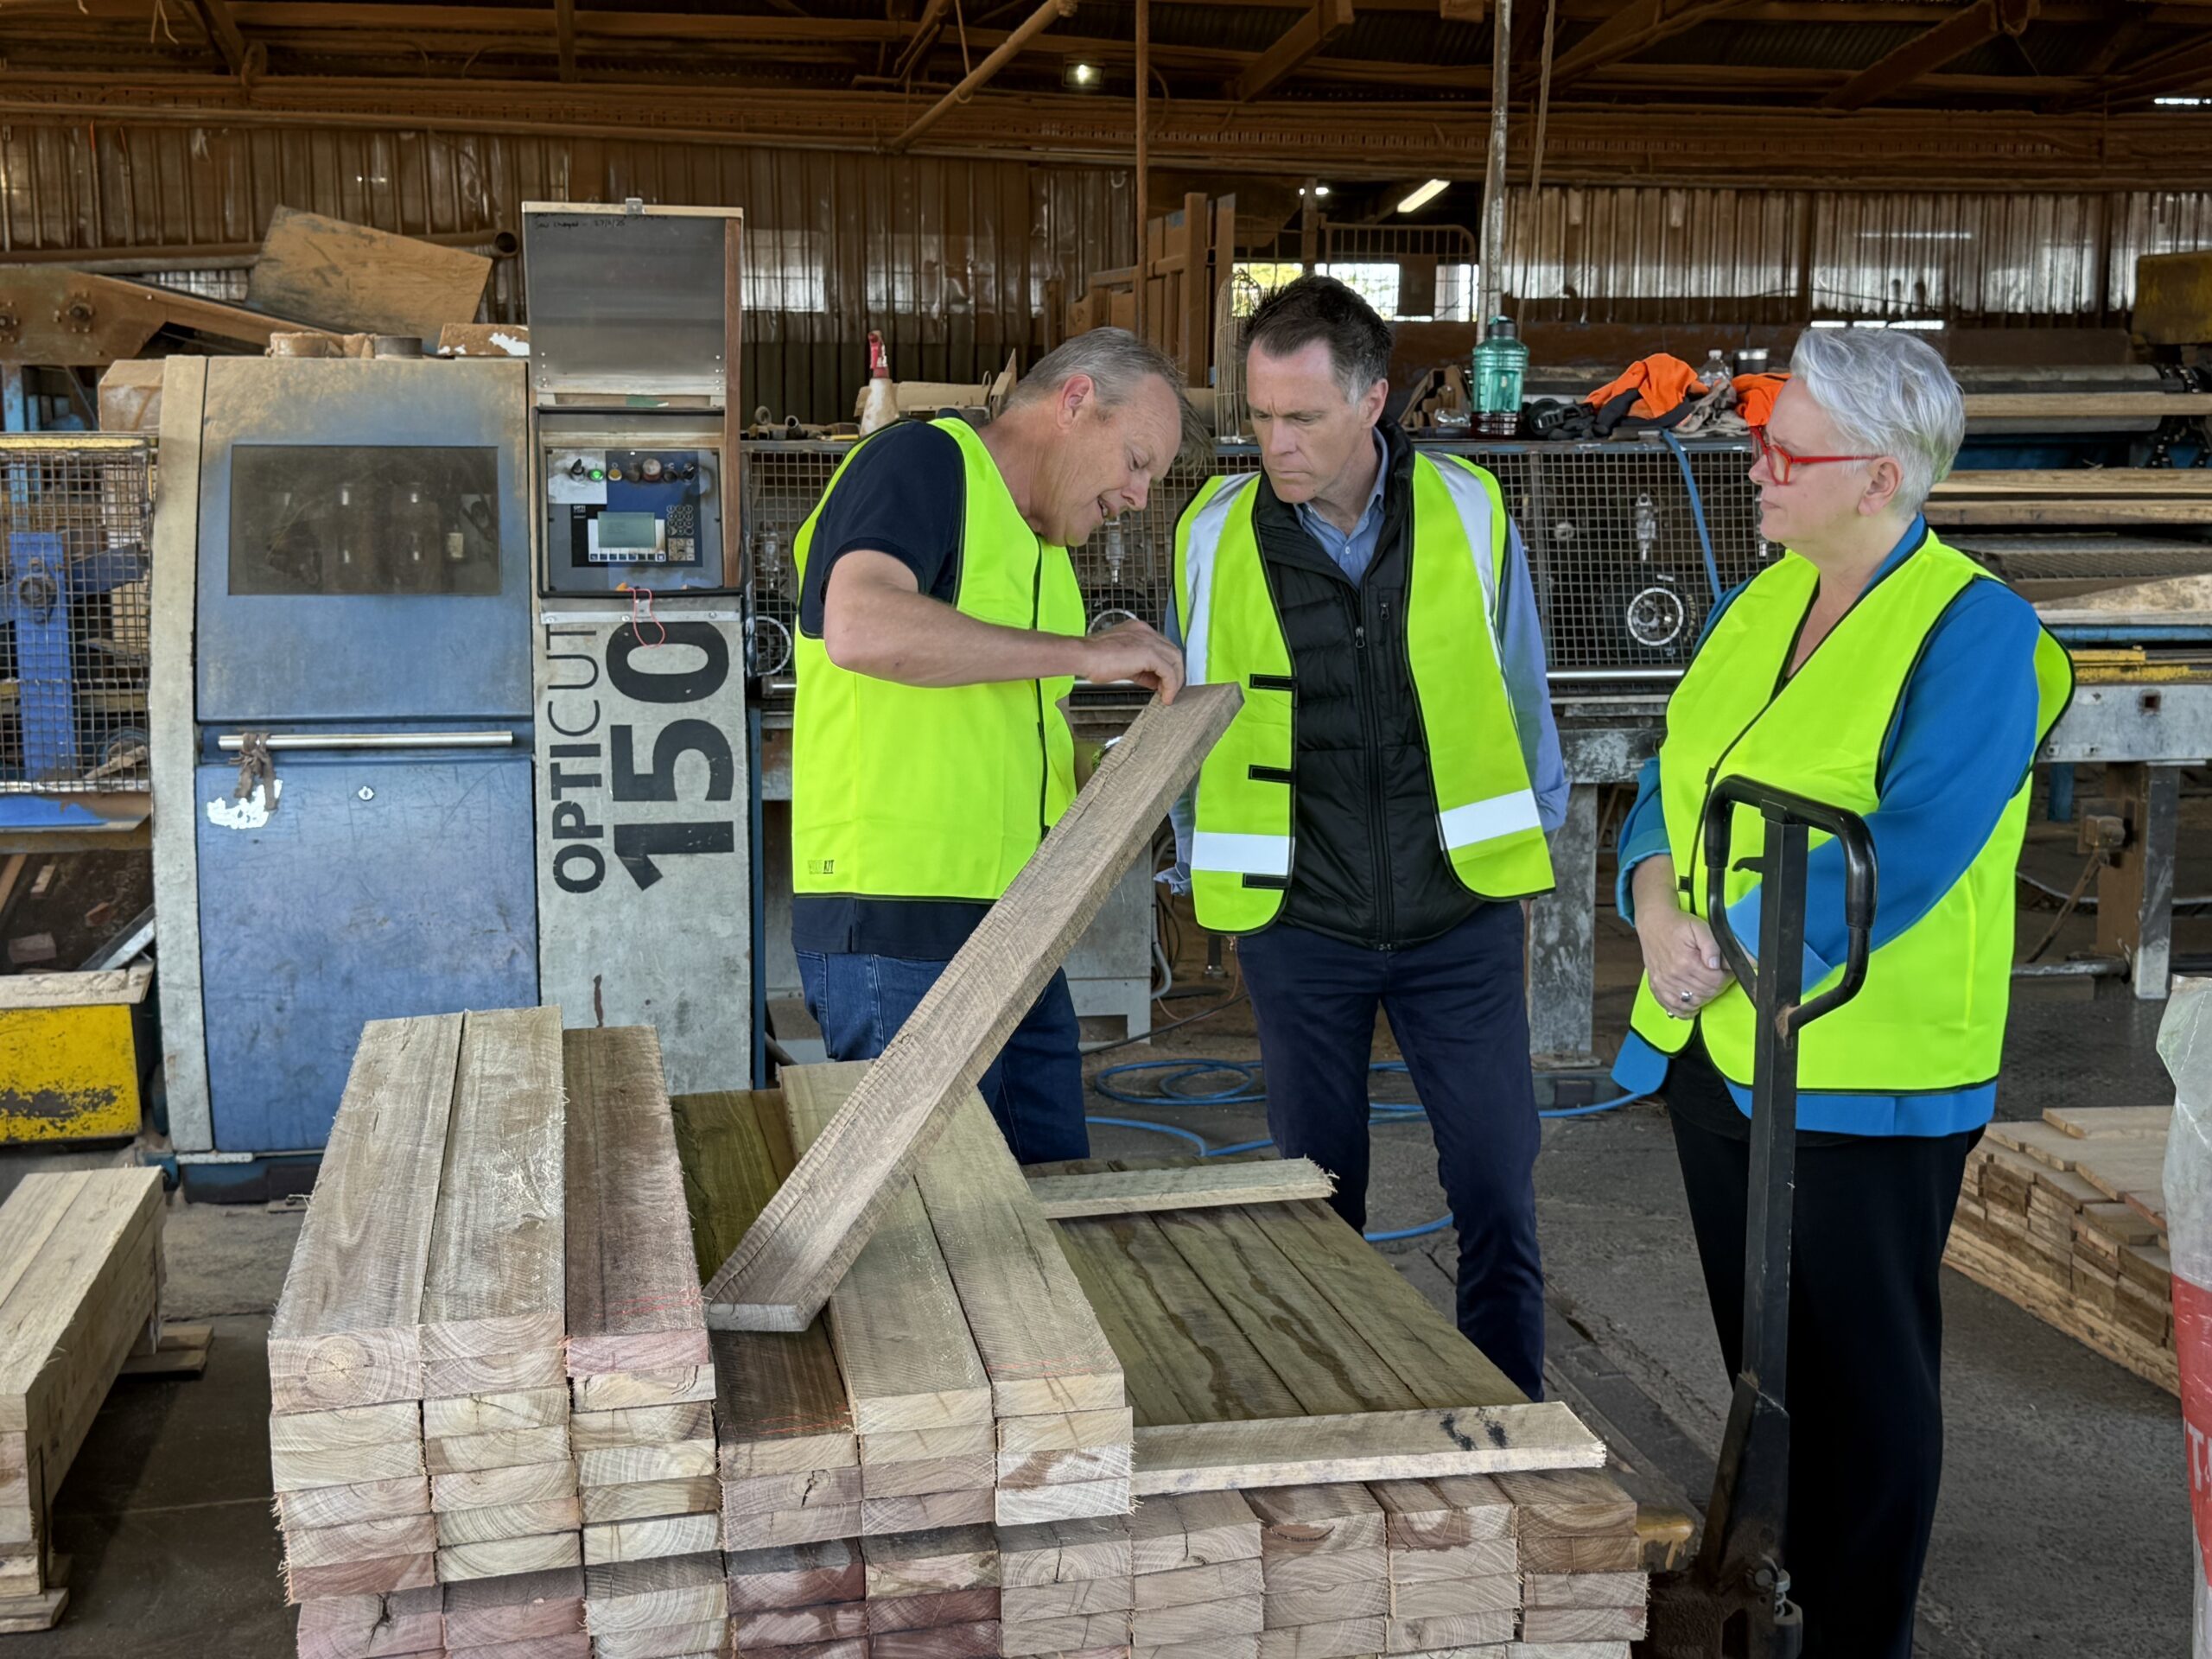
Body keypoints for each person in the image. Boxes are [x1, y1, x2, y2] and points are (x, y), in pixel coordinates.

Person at [1612, 327, 2073, 1658]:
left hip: (1862, 1077)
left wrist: (1735, 944)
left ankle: (1860, 1632)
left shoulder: (1976, 633)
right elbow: (1674, 773)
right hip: (1722, 1052)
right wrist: (1652, 903)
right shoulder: (1769, 593)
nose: (1753, 463)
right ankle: (1780, 1590)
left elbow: (1917, 842)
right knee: (1771, 1375)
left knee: (1863, 1395)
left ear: (1879, 476)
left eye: (1782, 446)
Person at [1169, 276, 1567, 1398]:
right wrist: (1197, 857)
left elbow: (1522, 692)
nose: (1275, 443)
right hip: (1299, 924)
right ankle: (1337, 1420)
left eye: (1302, 417)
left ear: (1374, 401)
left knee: (1497, 1184)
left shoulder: (1472, 511)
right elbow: (1188, 720)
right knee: (1316, 1196)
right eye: (1259, 416)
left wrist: (1529, 849)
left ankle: (1505, 1421)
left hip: (1460, 917)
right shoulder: (1209, 535)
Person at [791, 328, 1201, 1163]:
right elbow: (861, 625)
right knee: (930, 1229)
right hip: (900, 928)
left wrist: (1105, 783)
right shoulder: (922, 464)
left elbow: (1004, 720)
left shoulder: (1039, 545)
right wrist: (1088, 655)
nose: (1137, 495)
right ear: (1075, 401)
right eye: (1135, 460)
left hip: (1014, 925)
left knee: (1047, 1194)